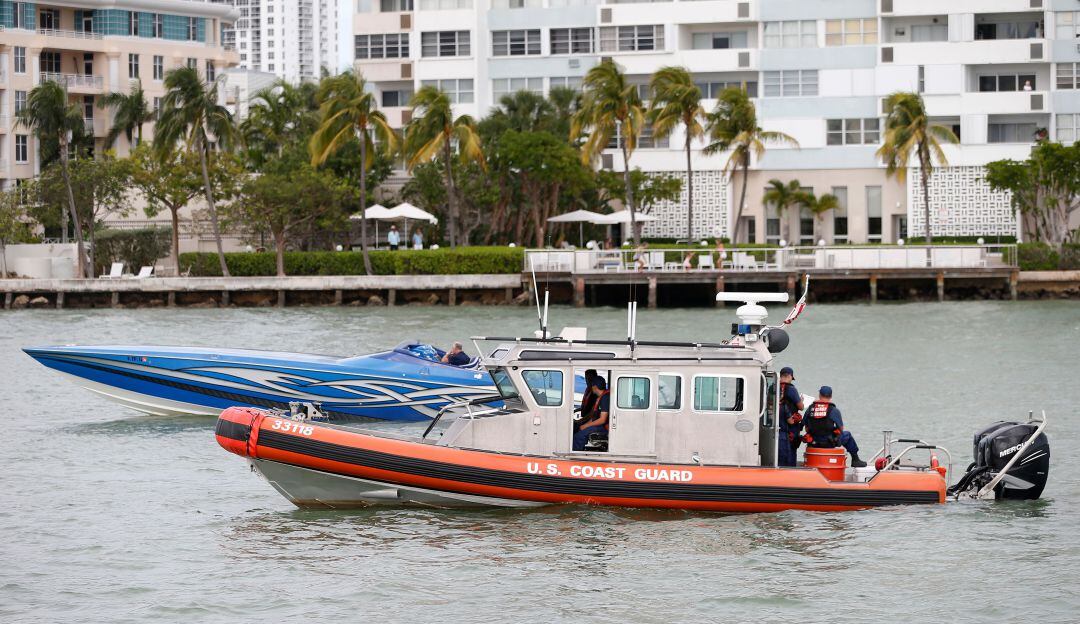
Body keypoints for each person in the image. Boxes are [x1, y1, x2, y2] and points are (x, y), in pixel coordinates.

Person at [802, 386, 866, 467]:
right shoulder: (834, 410)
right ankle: (855, 459)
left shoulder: (810, 409)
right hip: (829, 443)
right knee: (847, 435)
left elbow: (806, 428)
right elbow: (841, 429)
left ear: (819, 395)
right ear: (831, 396)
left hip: (813, 443)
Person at [777, 366, 805, 467]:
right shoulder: (792, 389)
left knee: (778, 455)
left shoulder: (773, 387)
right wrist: (801, 400)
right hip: (790, 427)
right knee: (790, 454)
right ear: (789, 376)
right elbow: (801, 407)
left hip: (775, 427)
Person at [573, 377, 610, 451]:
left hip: (604, 427)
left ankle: (576, 453)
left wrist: (586, 425)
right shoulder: (601, 397)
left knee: (579, 435)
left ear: (595, 387)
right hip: (599, 424)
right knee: (577, 427)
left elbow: (602, 420)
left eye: (592, 386)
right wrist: (582, 423)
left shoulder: (605, 398)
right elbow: (594, 417)